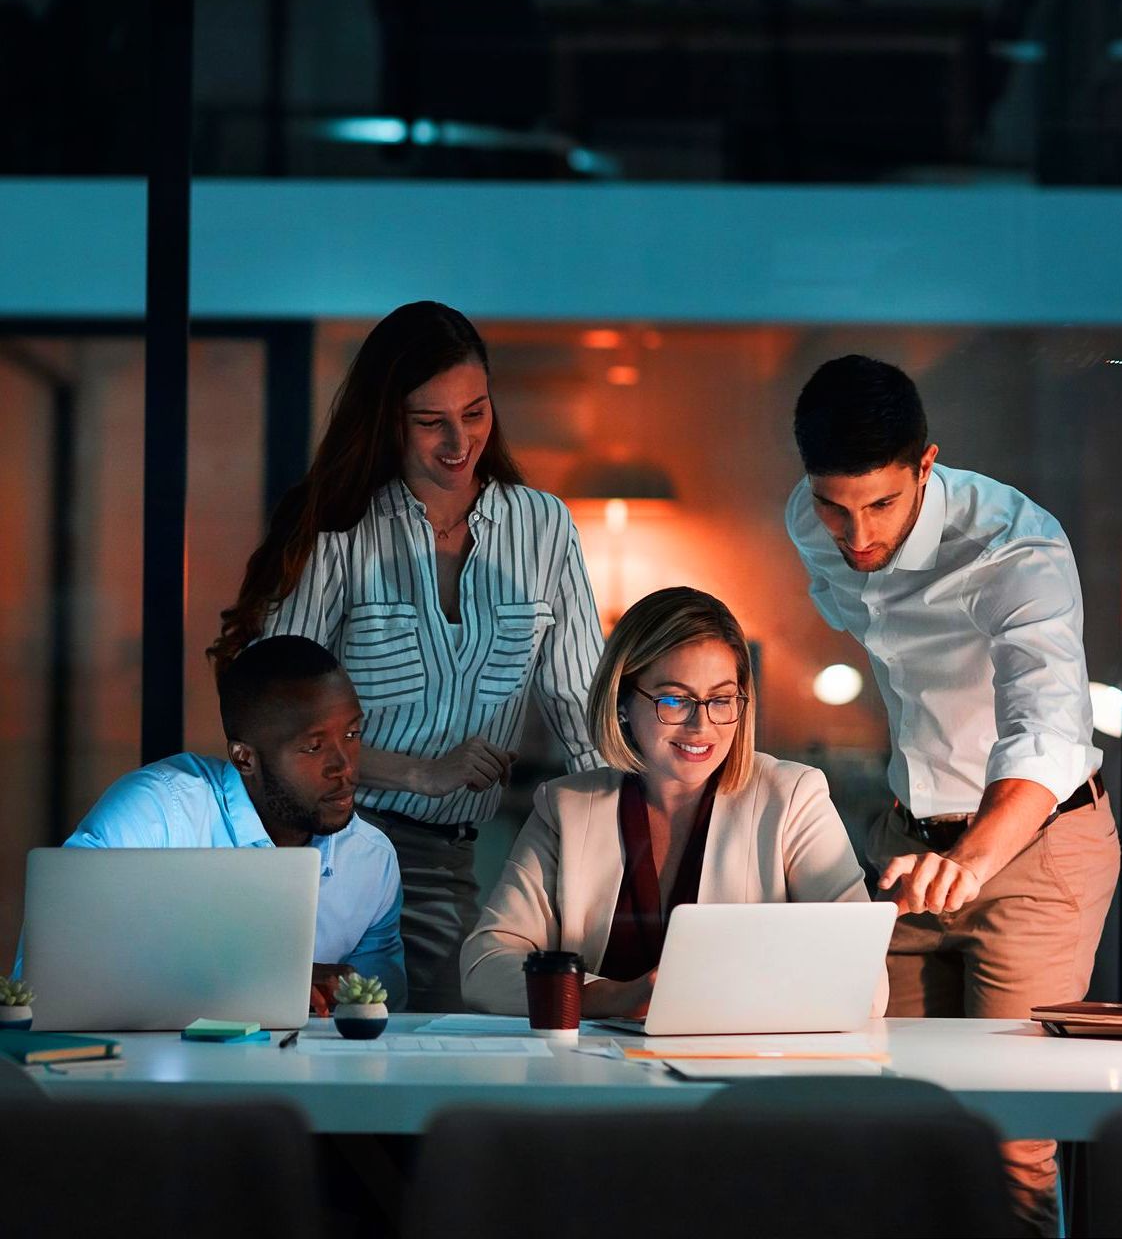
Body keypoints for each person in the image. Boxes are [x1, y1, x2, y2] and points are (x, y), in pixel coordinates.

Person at [785, 353, 1117, 1235]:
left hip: (1038, 849)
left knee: (1008, 1139)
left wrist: (970, 858)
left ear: (928, 465)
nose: (855, 536)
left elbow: (1046, 729)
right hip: (909, 841)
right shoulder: (808, 522)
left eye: (882, 505)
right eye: (834, 504)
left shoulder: (1021, 547)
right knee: (887, 1109)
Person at [210, 301, 602, 1012]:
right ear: (388, 419)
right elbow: (274, 723)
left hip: (453, 855)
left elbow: (585, 712)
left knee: (454, 1047)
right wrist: (421, 772)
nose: (459, 442)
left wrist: (634, 837)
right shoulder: (337, 527)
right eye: (432, 423)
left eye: (476, 414)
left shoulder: (543, 527)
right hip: (329, 845)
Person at [461, 587, 883, 1018]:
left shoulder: (793, 798)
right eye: (675, 700)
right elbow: (485, 965)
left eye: (721, 700)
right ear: (623, 701)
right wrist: (607, 997)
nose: (702, 725)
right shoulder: (566, 806)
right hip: (595, 1072)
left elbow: (866, 984)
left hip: (740, 1067)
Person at [40, 636, 405, 1012]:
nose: (344, 766)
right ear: (244, 758)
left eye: (352, 734)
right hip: (148, 1066)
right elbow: (51, 978)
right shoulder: (156, 813)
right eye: (314, 746)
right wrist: (268, 982)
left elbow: (379, 1015)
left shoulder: (370, 861)